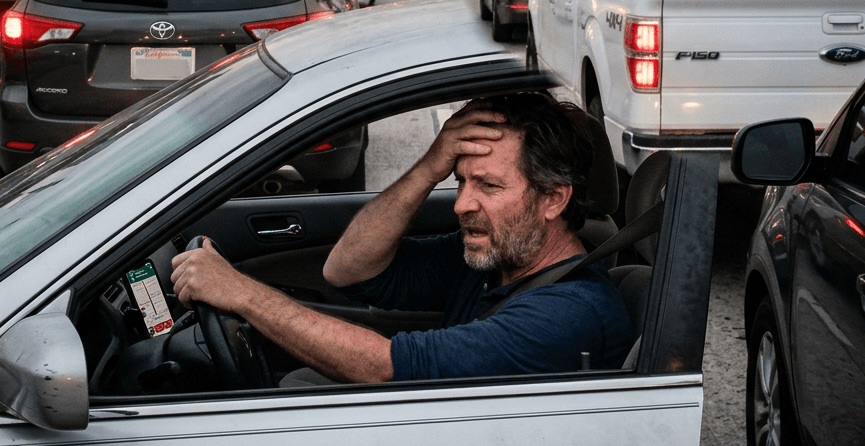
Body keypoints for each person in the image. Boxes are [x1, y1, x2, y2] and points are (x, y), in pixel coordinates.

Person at [170, 91, 635, 385]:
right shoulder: (495, 258)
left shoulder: (569, 314)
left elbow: (386, 366)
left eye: (489, 186)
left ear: (553, 199)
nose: (461, 204)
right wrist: (430, 166)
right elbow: (348, 271)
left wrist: (240, 293)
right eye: (460, 181)